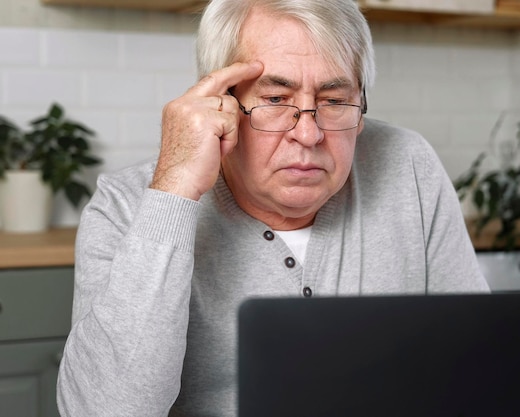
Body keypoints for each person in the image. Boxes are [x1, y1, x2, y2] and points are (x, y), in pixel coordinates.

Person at [56, 0, 489, 416]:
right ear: (221, 102)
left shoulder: (407, 164)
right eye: (277, 100)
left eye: (334, 101)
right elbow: (104, 411)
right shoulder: (126, 204)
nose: (308, 133)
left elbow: (479, 363)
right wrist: (174, 193)